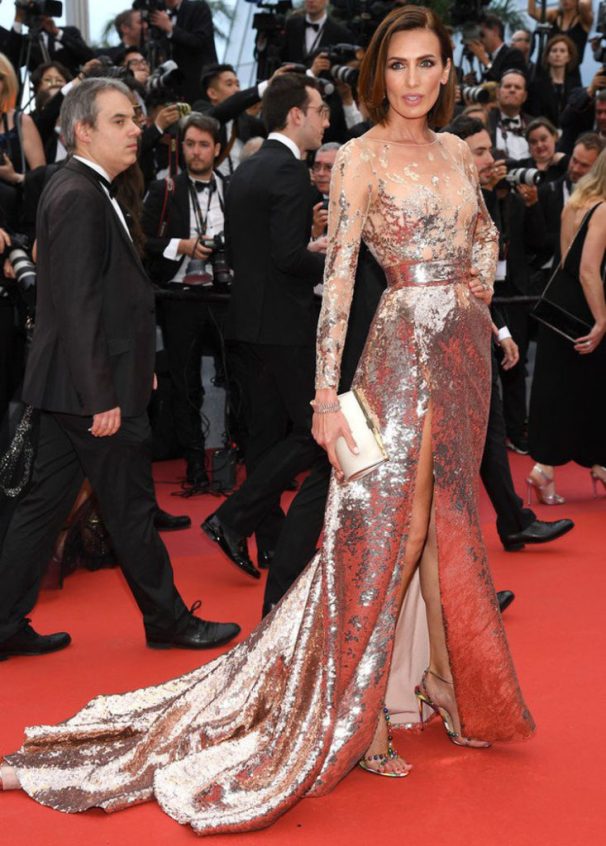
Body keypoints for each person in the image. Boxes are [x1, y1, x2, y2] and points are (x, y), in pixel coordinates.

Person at [0, 8, 534, 831]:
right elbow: (339, 288)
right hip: (397, 362)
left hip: (461, 359)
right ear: (377, 74)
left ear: (445, 71)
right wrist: (324, 400)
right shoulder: (358, 158)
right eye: (398, 65)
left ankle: (443, 683)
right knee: (389, 535)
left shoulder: (459, 153)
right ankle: (361, 711)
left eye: (428, 63)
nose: (414, 80)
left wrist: (481, 310)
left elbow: (484, 239)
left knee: (449, 527)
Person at [0, 78, 240, 660]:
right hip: (87, 392)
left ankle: (3, 624)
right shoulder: (78, 195)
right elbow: (77, 307)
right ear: (83, 131)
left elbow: (104, 299)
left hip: (72, 384)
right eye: (120, 121)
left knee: (41, 506)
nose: (137, 129)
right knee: (130, 509)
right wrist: (102, 394)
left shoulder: (84, 187)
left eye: (134, 119)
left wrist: (133, 368)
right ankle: (167, 620)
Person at [202, 73, 328, 578]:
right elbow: (288, 258)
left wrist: (304, 251)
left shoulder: (247, 168)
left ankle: (271, 543)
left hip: (246, 322)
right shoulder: (291, 173)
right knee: (314, 433)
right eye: (319, 111)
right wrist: (335, 260)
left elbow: (254, 253)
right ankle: (233, 518)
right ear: (296, 115)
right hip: (285, 323)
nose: (326, 121)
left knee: (266, 436)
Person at [142, 113, 226, 491]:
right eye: (190, 144)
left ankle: (240, 459)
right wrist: (182, 246)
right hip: (179, 297)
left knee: (239, 378)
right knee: (185, 383)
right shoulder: (165, 189)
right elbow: (143, 241)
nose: (196, 151)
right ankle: (194, 466)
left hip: (224, 295)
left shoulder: (231, 190)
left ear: (217, 149)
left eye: (203, 145)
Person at [527, 148, 606, 502]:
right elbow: (588, 269)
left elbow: (565, 263)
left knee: (559, 387)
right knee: (593, 387)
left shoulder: (575, 202)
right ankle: (555, 468)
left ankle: (555, 467)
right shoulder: (603, 209)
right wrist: (601, 319)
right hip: (588, 306)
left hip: (560, 305)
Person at [149, 0, 218, 105]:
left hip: (199, 86)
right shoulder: (160, 16)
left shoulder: (198, 7)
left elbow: (199, 42)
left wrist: (170, 29)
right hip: (174, 91)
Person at [0, 54, 45, 187]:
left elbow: (41, 178)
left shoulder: (21, 122)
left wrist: (14, 177)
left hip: (14, 197)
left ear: (6, 83)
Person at [527, 34, 581, 126]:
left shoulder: (575, 85)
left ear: (569, 57)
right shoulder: (537, 85)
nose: (557, 54)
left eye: (562, 51)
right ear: (547, 56)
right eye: (554, 50)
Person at [466, 13, 527, 83]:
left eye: (482, 35)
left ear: (495, 31)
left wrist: (485, 60)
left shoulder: (513, 54)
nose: (480, 39)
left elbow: (506, 83)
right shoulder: (491, 59)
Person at [527, 0, 593, 64]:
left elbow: (584, 3)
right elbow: (532, 12)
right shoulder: (555, 15)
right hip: (551, 66)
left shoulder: (583, 20)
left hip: (572, 68)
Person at [488, 69, 533, 160]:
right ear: (498, 93)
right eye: (507, 86)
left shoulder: (534, 124)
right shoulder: (486, 121)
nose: (512, 90)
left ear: (524, 96)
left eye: (517, 87)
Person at [521, 116, 569, 182]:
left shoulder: (566, 163)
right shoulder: (522, 167)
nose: (539, 145)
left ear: (555, 136)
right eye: (533, 142)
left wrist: (564, 160)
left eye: (543, 139)